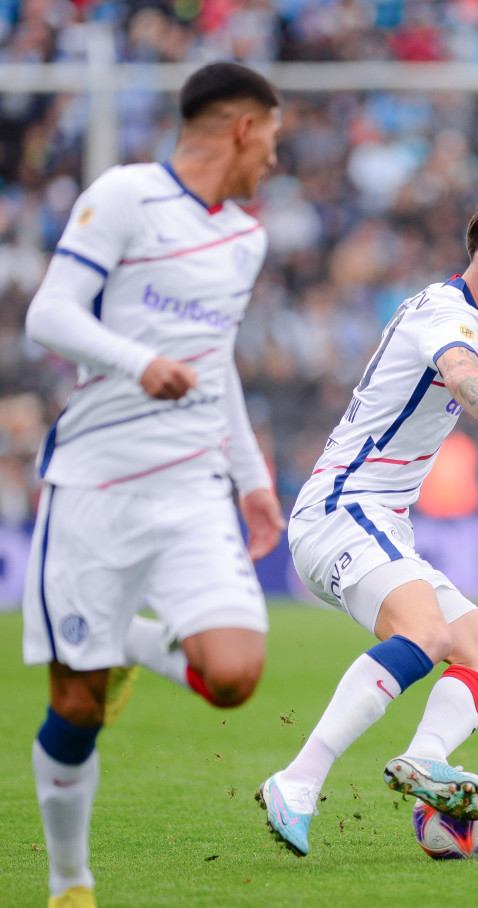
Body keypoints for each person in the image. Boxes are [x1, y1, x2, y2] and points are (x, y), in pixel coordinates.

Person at [257, 195, 478, 856]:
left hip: (376, 520)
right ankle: (298, 780)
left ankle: (424, 760)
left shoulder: (460, 313)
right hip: (344, 508)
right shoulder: (450, 318)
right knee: (423, 633)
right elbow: (462, 371)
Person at [21, 62, 285, 908]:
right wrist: (141, 363)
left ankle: (133, 643)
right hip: (94, 484)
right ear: (242, 127)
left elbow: (220, 366)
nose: (274, 162)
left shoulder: (248, 238)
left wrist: (251, 477)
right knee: (77, 706)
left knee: (237, 675)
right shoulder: (127, 195)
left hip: (192, 484)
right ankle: (71, 884)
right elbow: (49, 315)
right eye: (273, 140)